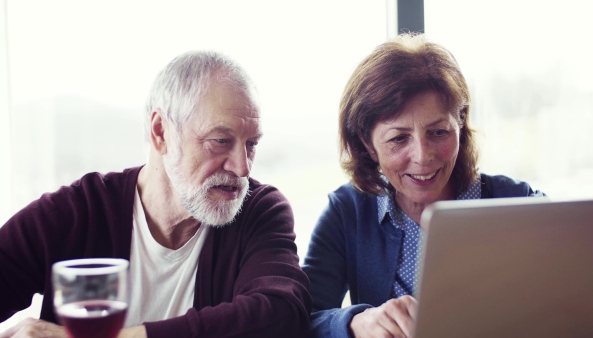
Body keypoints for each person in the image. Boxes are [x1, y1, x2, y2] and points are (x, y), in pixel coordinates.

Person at [0, 50, 312, 338]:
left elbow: (282, 314)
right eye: (220, 140)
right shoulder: (79, 213)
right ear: (160, 132)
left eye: (251, 144)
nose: (242, 168)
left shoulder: (258, 211)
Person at [302, 32, 545, 338]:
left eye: (439, 132)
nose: (422, 157)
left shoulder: (521, 203)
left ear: (460, 123)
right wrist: (355, 322)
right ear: (367, 143)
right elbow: (302, 319)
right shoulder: (347, 212)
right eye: (398, 139)